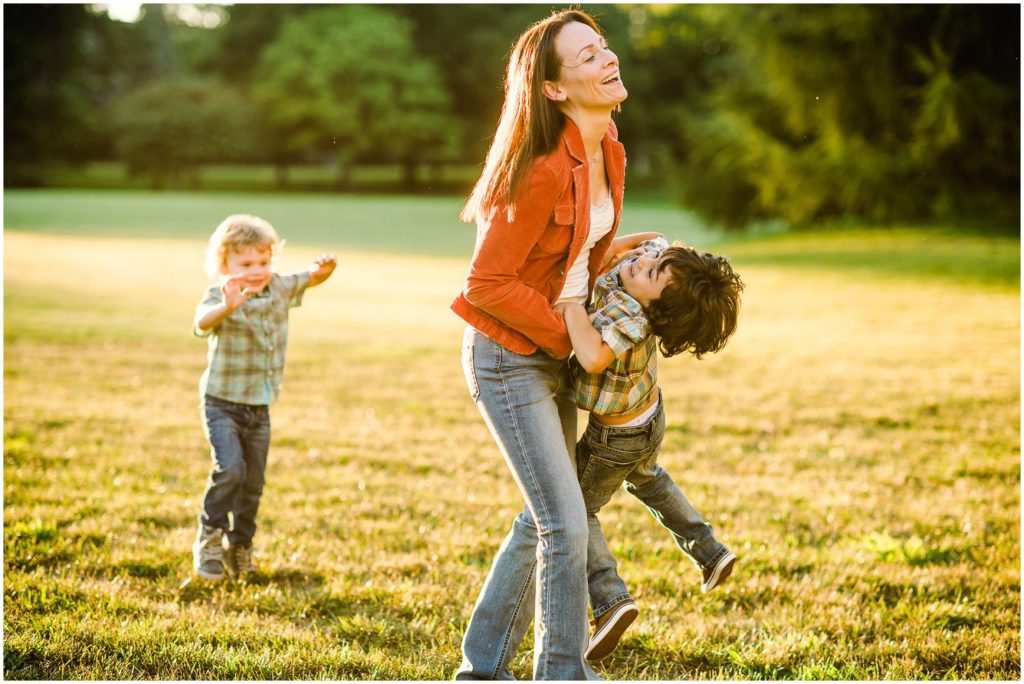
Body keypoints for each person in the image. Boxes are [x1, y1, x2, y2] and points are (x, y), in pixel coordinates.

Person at [450, 9, 628, 680]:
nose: (606, 58)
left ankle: (481, 670)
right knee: (564, 524)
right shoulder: (538, 168)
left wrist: (637, 261)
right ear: (553, 88)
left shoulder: (607, 141)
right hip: (507, 358)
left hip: (555, 349)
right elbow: (487, 282)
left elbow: (578, 253)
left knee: (544, 517)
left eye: (602, 47)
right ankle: (562, 672)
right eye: (585, 57)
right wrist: (572, 338)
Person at [555, 235, 745, 661]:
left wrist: (569, 304)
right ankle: (709, 551)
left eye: (653, 271)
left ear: (657, 310)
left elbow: (592, 358)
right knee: (648, 478)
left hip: (616, 438)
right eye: (655, 258)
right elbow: (649, 239)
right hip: (648, 415)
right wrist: (638, 249)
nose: (644, 261)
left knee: (574, 508)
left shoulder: (632, 316)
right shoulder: (651, 265)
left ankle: (609, 600)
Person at [191, 214, 336, 581]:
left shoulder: (280, 288)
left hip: (259, 406)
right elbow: (202, 323)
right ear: (224, 265)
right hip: (221, 403)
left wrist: (325, 270)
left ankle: (240, 547)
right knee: (230, 469)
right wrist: (228, 306)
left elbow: (311, 278)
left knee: (253, 481)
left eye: (264, 262)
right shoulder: (219, 295)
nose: (257, 271)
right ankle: (209, 539)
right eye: (246, 264)